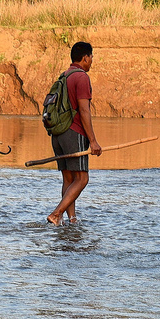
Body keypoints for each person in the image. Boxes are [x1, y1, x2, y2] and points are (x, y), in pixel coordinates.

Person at [47, 41, 102, 225]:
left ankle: (71, 219)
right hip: (73, 132)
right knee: (82, 178)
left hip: (58, 134)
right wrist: (93, 141)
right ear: (85, 57)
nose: (92, 60)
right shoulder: (81, 77)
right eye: (91, 57)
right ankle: (56, 214)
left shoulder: (64, 75)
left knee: (68, 178)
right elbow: (84, 111)